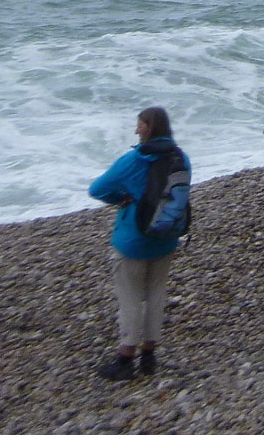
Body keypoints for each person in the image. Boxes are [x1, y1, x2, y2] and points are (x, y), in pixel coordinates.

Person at [86, 106, 187, 381]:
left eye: (140, 125)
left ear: (149, 128)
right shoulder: (181, 158)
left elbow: (96, 189)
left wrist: (119, 199)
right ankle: (149, 356)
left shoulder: (133, 161)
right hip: (166, 237)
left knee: (130, 299)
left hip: (133, 240)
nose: (136, 130)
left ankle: (126, 357)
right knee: (156, 294)